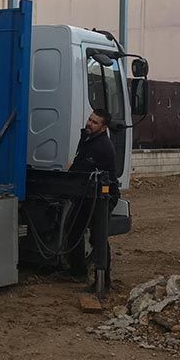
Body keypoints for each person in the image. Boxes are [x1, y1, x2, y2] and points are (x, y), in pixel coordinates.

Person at [67, 108, 120, 286]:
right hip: (86, 194)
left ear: (103, 127)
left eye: (95, 122)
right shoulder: (88, 138)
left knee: (98, 237)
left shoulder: (102, 146)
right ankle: (77, 271)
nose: (89, 123)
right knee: (73, 228)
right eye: (90, 119)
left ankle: (103, 282)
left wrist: (75, 170)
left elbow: (86, 169)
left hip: (102, 196)